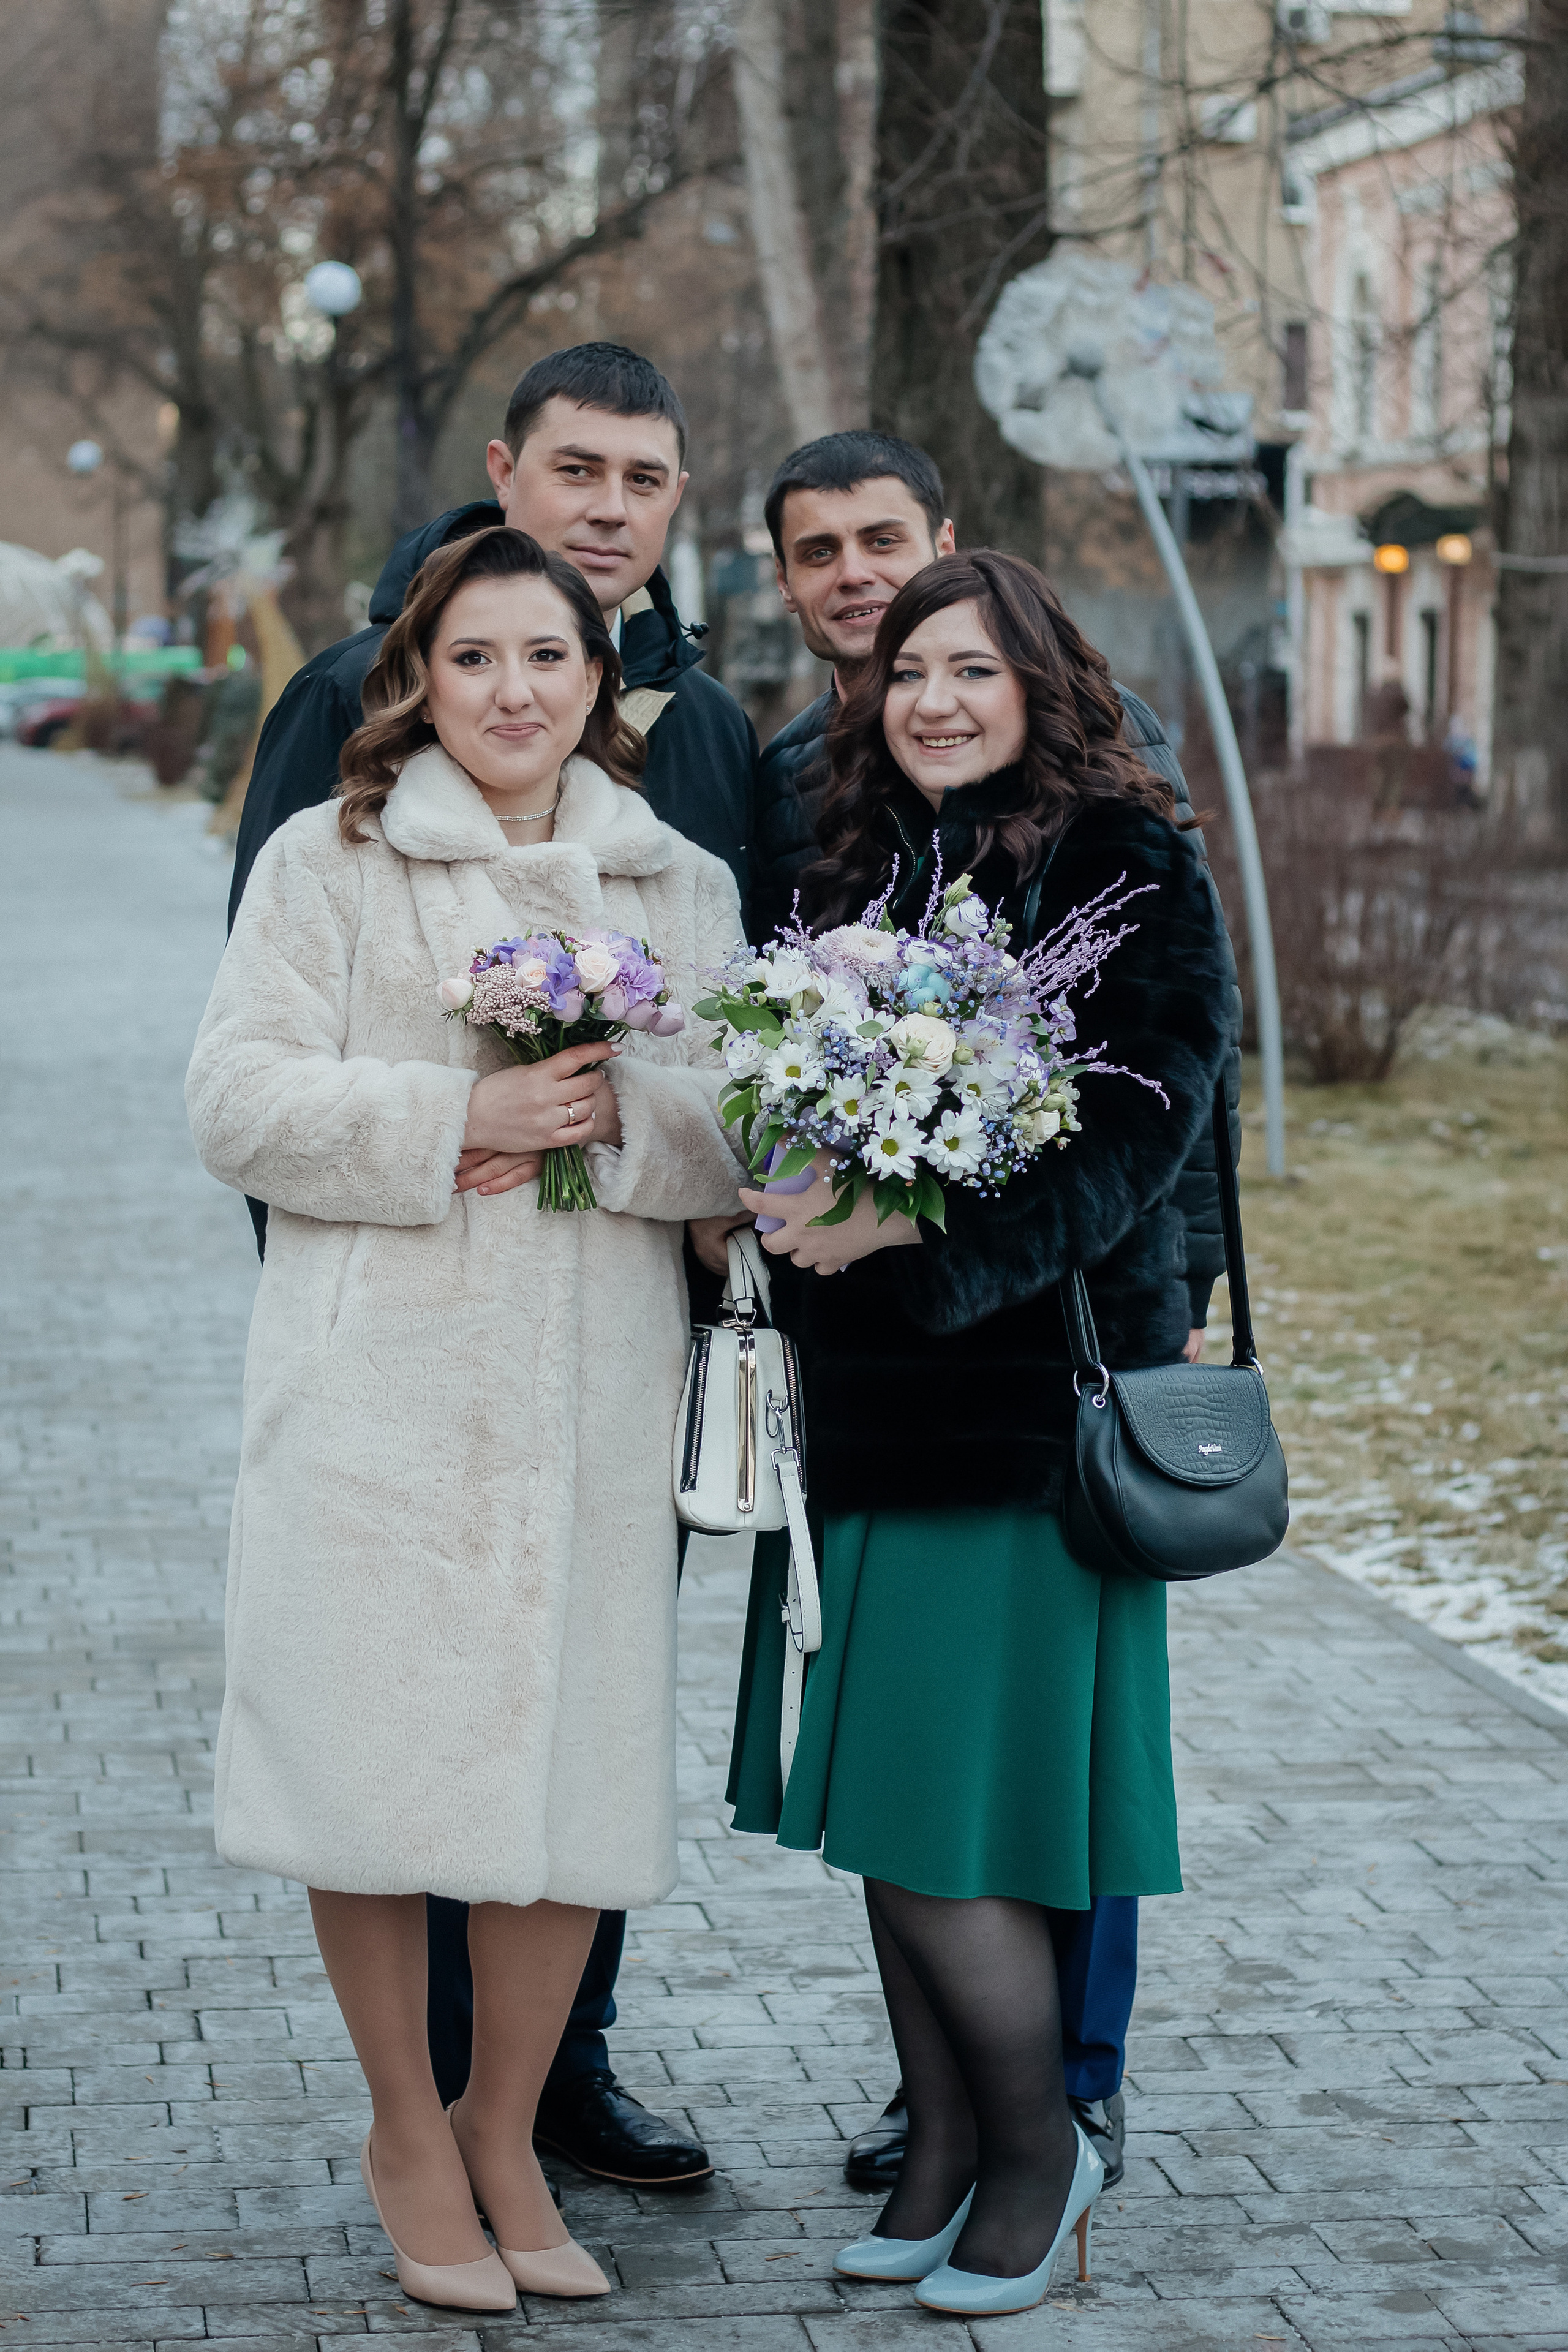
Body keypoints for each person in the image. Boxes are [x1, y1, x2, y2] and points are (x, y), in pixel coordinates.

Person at [186, 526, 747, 2311]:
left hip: (595, 1392)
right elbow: (237, 1101)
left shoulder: (672, 881)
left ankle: (509, 2126)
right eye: (478, 658)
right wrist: (460, 1122)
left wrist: (613, 1124)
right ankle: (408, 2130)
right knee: (374, 1770)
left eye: (550, 660)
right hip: (385, 1386)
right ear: (421, 677)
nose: (516, 692)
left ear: (600, 680)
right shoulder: (328, 860)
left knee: (573, 1778)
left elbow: (738, 1120)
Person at [724, 549, 1237, 2316]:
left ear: (1043, 684)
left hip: (1024, 1414)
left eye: (976, 669)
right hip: (862, 1409)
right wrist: (787, 1178)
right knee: (890, 1818)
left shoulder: (1125, 859)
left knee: (960, 1830)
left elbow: (1142, 1124)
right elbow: (794, 1085)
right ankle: (941, 2151)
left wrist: (922, 1240)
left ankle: (1042, 2150)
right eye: (912, 671)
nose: (936, 698)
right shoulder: (853, 861)